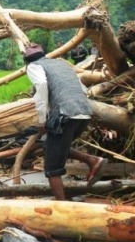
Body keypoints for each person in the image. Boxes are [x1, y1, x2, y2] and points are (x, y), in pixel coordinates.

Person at [23, 44, 106, 199]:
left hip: (65, 115)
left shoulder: (33, 66)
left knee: (52, 168)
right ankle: (91, 160)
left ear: (26, 61)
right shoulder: (60, 63)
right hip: (84, 112)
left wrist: (41, 122)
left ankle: (62, 206)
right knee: (55, 147)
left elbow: (41, 85)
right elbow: (82, 88)